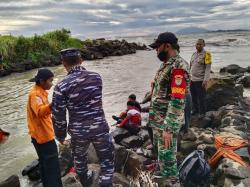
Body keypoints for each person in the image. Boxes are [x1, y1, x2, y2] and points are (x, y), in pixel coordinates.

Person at [52, 48, 114, 187]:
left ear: (63, 63)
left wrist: (60, 136)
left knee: (79, 159)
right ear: (81, 60)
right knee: (106, 160)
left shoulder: (61, 86)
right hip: (100, 127)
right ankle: (106, 183)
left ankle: (86, 181)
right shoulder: (96, 77)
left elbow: (59, 116)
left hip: (78, 132)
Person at [148, 32, 190, 184]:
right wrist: (155, 85)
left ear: (167, 45)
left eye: (157, 47)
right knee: (163, 159)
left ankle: (173, 183)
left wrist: (169, 128)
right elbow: (166, 91)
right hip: (159, 121)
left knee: (169, 164)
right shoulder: (166, 63)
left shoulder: (179, 66)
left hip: (167, 124)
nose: (156, 50)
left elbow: (178, 100)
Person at [26, 68, 63, 187]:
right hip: (43, 137)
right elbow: (40, 112)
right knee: (52, 166)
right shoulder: (35, 94)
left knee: (45, 164)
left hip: (41, 135)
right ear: (42, 81)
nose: (52, 83)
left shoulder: (40, 92)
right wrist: (54, 104)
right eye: (50, 81)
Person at [190, 39, 212, 119]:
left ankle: (202, 113)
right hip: (192, 79)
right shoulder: (193, 54)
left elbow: (208, 68)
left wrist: (205, 80)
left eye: (200, 44)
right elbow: (191, 66)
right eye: (197, 44)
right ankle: (195, 110)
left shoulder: (207, 54)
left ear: (204, 45)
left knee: (201, 97)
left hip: (200, 80)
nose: (198, 45)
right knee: (193, 96)